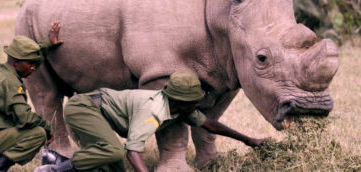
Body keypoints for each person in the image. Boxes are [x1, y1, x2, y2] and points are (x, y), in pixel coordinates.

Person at [36, 72, 268, 172]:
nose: (198, 104)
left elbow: (209, 123)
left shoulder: (178, 109)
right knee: (114, 152)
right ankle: (57, 169)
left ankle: (53, 159)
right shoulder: (154, 112)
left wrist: (249, 140)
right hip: (84, 108)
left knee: (110, 168)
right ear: (183, 101)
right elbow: (132, 151)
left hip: (100, 111)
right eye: (195, 100)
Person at [0, 22, 63, 172]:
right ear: (16, 63)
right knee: (38, 133)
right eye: (30, 64)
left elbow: (29, 55)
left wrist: (48, 44)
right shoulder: (11, 83)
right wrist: (47, 127)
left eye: (35, 63)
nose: (34, 67)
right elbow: (25, 118)